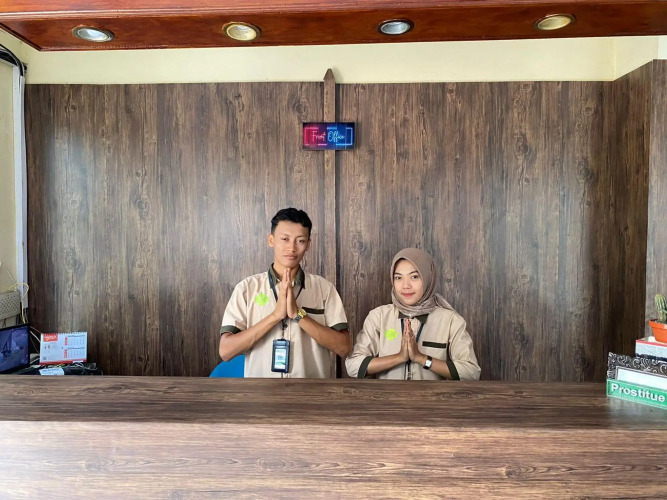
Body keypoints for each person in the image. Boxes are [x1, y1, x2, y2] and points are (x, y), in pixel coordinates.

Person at [219, 208, 350, 378]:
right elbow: (226, 351)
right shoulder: (247, 288)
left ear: (308, 244)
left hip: (311, 391)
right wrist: (275, 316)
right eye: (285, 239)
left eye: (300, 241)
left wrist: (298, 315)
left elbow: (343, 348)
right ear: (271, 240)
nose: (292, 248)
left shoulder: (324, 289)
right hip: (261, 391)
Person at [346, 248, 481, 380]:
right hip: (388, 395)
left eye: (414, 277)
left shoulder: (450, 320)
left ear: (428, 278)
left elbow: (471, 372)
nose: (406, 285)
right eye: (398, 277)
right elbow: (353, 366)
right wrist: (399, 358)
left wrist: (421, 359)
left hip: (432, 395)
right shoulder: (379, 317)